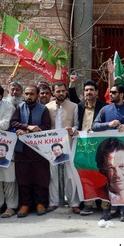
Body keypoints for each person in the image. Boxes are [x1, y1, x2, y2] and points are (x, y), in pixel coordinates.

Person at [92, 83, 124, 222]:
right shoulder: (105, 109)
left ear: (122, 95)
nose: (111, 95)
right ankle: (112, 208)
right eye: (110, 92)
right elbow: (95, 125)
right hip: (109, 153)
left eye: (114, 92)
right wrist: (108, 124)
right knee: (111, 181)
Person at [10, 85, 51, 218]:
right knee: (23, 176)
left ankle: (40, 203)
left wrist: (34, 130)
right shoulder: (19, 108)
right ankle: (25, 204)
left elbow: (47, 126)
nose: (28, 96)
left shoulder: (43, 109)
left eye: (31, 94)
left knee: (40, 176)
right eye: (26, 94)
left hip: (39, 149)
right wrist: (27, 127)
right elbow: (13, 122)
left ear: (37, 95)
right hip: (22, 149)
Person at [70, 79, 108, 216]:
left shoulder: (104, 107)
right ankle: (88, 204)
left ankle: (105, 205)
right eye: (86, 90)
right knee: (87, 174)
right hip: (83, 146)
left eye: (91, 90)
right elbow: (76, 124)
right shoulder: (79, 107)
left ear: (97, 92)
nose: (89, 92)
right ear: (84, 93)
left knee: (102, 174)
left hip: (100, 146)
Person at [46, 82, 82, 214]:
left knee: (70, 175)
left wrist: (72, 129)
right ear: (53, 92)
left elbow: (77, 124)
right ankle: (54, 202)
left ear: (66, 92)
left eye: (63, 91)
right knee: (53, 174)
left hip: (69, 144)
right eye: (58, 91)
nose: (61, 93)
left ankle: (74, 203)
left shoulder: (74, 106)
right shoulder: (47, 107)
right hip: (51, 146)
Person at [0, 83, 17, 218]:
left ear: (0, 96)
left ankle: (11, 206)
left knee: (8, 177)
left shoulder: (7, 106)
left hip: (6, 146)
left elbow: (5, 125)